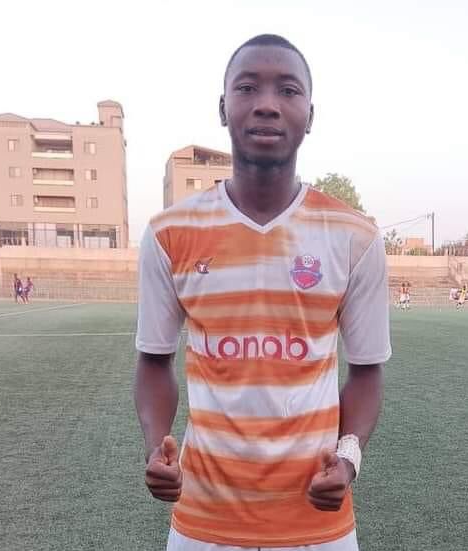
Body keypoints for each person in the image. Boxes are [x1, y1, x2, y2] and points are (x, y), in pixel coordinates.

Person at [134, 34, 390, 551]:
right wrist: (156, 445)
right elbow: (154, 362)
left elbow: (366, 372)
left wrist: (348, 458)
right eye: (248, 87)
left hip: (317, 525)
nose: (267, 104)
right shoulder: (169, 232)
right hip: (203, 521)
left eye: (288, 90)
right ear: (223, 107)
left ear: (309, 115)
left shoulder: (354, 236)